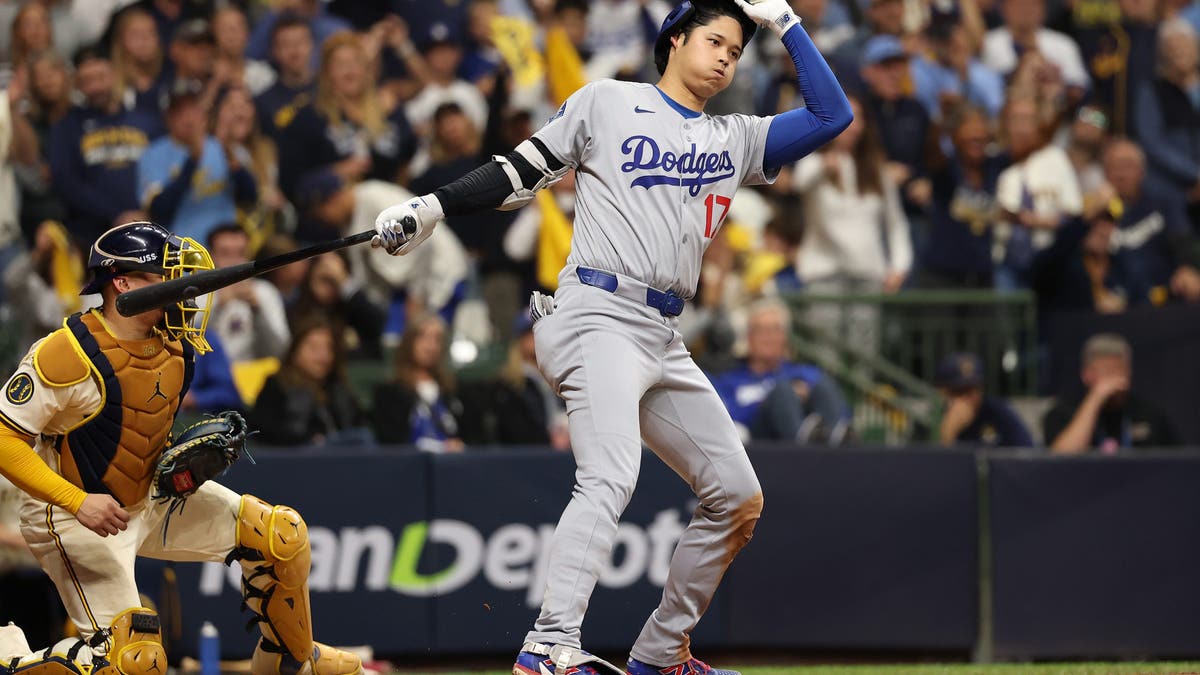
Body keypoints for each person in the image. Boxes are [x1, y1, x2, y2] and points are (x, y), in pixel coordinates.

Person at [372, 0, 852, 673]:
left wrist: (789, 26)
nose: (724, 57)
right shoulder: (607, 101)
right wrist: (430, 207)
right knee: (609, 474)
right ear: (675, 40)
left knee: (737, 495)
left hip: (660, 331)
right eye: (713, 40)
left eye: (736, 51)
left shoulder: (736, 137)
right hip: (596, 308)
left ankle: (661, 651)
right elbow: (518, 171)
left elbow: (834, 115)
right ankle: (546, 645)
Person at [0, 221, 362, 675]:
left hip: (146, 495)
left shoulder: (177, 344)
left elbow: (132, 427)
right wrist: (79, 502)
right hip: (75, 514)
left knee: (280, 537)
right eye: (164, 277)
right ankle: (10, 664)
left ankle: (292, 661)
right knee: (136, 661)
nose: (182, 288)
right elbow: (4, 440)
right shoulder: (64, 353)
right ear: (123, 283)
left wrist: (176, 459)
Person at [49, 46, 160, 245]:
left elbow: (165, 169)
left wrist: (150, 210)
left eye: (100, 77)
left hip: (150, 227)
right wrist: (115, 214)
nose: (96, 88)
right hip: (92, 235)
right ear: (77, 85)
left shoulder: (147, 121)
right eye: (87, 81)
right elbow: (66, 181)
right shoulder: (66, 127)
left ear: (114, 74)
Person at [709, 299, 850, 444]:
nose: (768, 337)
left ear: (784, 338)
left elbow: (837, 404)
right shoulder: (731, 380)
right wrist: (767, 399)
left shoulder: (801, 373)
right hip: (760, 445)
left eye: (775, 330)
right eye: (761, 330)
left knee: (821, 386)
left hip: (809, 435)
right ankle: (805, 448)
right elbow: (731, 419)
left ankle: (839, 444)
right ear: (749, 337)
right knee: (782, 392)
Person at [137, 89, 258, 244]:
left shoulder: (223, 147)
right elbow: (158, 210)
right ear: (168, 118)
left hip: (225, 249)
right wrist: (193, 161)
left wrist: (230, 157)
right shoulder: (153, 155)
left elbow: (250, 198)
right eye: (180, 112)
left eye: (194, 109)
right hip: (181, 250)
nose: (189, 118)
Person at [1044, 333, 1178, 452]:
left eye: (1120, 371)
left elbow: (1178, 464)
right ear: (1086, 375)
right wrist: (1096, 397)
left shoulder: (1149, 414)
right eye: (1107, 373)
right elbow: (1062, 460)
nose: (1115, 381)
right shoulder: (1062, 413)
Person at [249, 312, 365, 446]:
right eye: (314, 348)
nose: (323, 356)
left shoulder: (339, 389)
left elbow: (356, 428)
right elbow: (262, 432)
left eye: (328, 348)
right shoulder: (276, 386)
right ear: (296, 351)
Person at [370, 312, 465, 452]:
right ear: (409, 342)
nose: (431, 346)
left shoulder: (453, 391)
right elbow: (390, 443)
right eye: (424, 337)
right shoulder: (389, 394)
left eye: (437, 339)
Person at [933, 352, 1034, 448]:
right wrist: (947, 435)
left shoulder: (999, 414)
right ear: (941, 392)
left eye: (972, 391)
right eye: (958, 391)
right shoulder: (931, 417)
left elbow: (1029, 456)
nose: (965, 399)